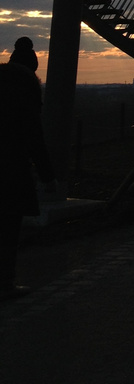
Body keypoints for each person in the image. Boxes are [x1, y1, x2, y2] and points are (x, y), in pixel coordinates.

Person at [0, 35, 55, 299]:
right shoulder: (26, 87)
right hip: (11, 167)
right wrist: (47, 175)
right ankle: (5, 283)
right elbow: (34, 134)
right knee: (9, 228)